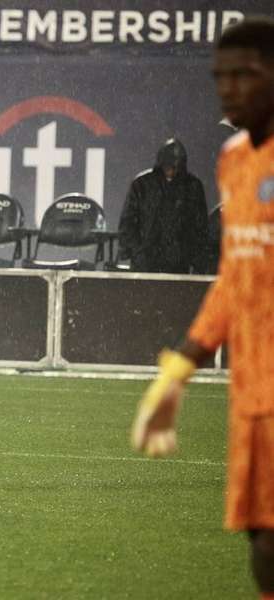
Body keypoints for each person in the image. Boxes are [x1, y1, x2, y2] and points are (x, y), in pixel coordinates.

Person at [130, 16, 274, 599]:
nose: (228, 88)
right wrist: (178, 373)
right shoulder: (234, 159)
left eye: (244, 74)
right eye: (220, 76)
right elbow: (236, 278)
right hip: (254, 388)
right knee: (261, 540)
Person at [117, 137, 209, 273]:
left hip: (178, 266)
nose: (171, 171)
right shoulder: (142, 185)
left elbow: (199, 227)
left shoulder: (192, 187)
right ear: (161, 164)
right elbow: (127, 224)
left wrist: (195, 260)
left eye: (176, 168)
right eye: (168, 166)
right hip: (145, 265)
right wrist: (138, 252)